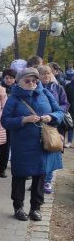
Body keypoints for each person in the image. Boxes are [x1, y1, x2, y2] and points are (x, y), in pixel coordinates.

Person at [1, 67, 63, 221]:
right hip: (22, 145)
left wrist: (51, 116)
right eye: (27, 80)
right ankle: (18, 207)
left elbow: (60, 112)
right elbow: (5, 121)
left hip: (42, 143)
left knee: (40, 175)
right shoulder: (14, 98)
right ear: (19, 81)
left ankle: (35, 208)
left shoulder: (46, 93)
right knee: (20, 175)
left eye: (34, 80)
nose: (31, 83)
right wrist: (24, 119)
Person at [38, 65, 70, 194]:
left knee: (51, 151)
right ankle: (38, 179)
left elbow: (65, 104)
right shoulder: (35, 87)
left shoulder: (58, 88)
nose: (46, 76)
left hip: (53, 125)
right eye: (43, 73)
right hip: (38, 124)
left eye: (48, 73)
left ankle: (47, 181)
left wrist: (55, 113)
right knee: (39, 153)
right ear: (38, 75)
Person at [0, 68, 17, 178]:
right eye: (7, 78)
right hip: (2, 120)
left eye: (11, 78)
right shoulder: (0, 89)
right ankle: (2, 168)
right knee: (4, 146)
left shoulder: (18, 89)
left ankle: (16, 167)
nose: (9, 80)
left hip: (14, 120)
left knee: (14, 146)